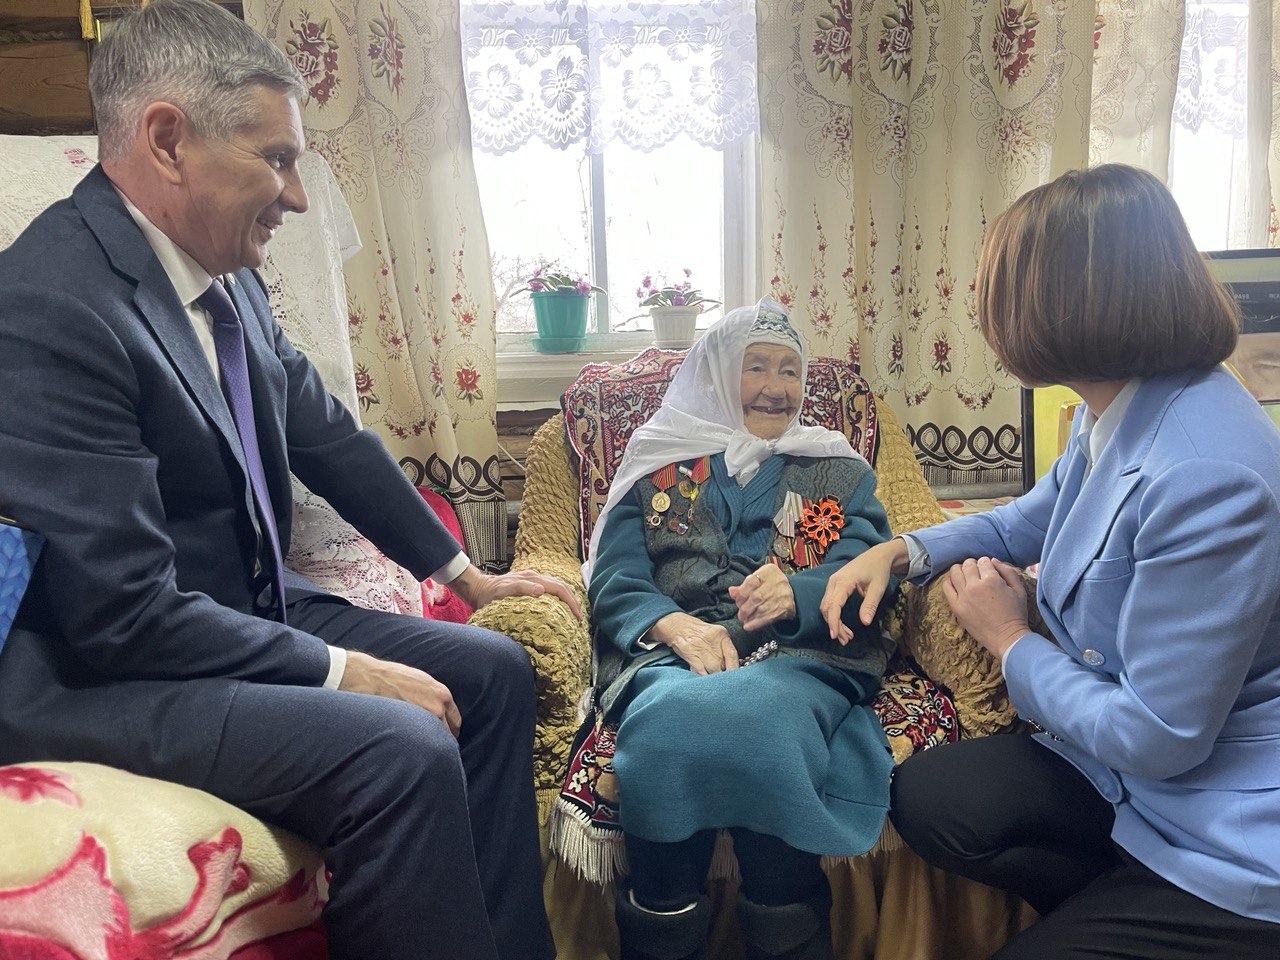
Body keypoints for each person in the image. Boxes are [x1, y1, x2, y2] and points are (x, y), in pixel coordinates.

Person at [0, 2, 580, 958]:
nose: (299, 198)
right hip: (103, 669)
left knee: (492, 670)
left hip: (233, 611)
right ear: (168, 140)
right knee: (401, 748)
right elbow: (123, 617)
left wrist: (468, 577)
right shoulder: (51, 306)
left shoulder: (221, 275)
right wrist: (347, 672)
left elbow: (327, 436)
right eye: (276, 159)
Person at [820, 164, 1280, 959]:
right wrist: (902, 550)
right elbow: (1033, 516)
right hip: (1129, 776)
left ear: (1069, 302)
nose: (984, 310)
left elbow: (1158, 737)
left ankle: (1160, 905)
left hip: (1222, 823)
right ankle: (1110, 894)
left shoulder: (1209, 477)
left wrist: (1008, 639)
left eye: (1000, 290)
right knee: (931, 798)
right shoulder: (1124, 403)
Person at [583, 297, 897, 960]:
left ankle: (786, 925)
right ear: (720, 372)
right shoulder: (658, 460)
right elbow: (614, 574)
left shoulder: (837, 468)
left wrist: (798, 593)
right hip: (675, 655)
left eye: (790, 370)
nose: (776, 388)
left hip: (800, 654)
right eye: (757, 367)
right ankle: (663, 926)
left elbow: (869, 566)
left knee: (766, 724)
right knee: (668, 723)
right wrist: (673, 626)